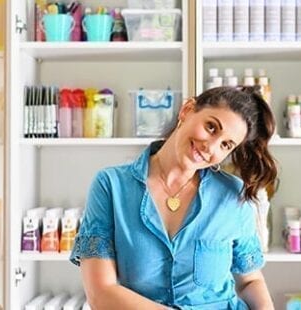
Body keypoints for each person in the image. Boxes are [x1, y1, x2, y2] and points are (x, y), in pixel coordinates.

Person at [70, 86, 278, 309]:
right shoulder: (111, 186)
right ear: (187, 110)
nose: (210, 147)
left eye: (225, 144)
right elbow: (101, 293)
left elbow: (250, 281)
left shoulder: (233, 195)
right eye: (211, 127)